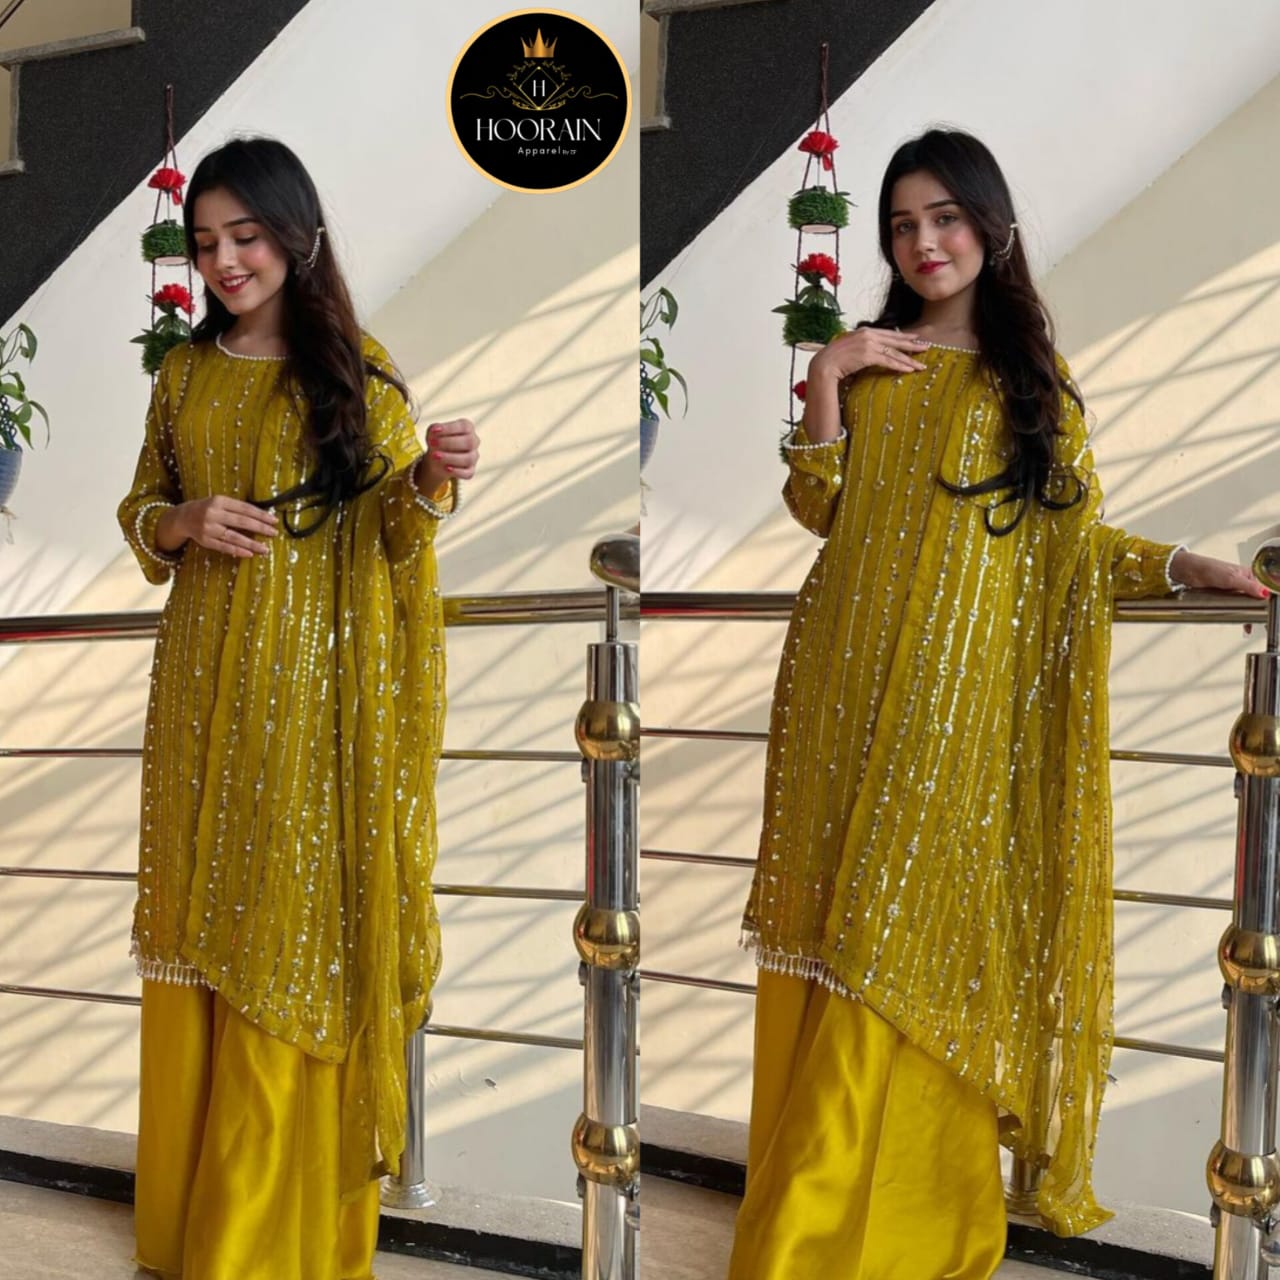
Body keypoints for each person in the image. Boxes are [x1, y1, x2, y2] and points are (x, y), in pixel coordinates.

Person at [728, 128, 1262, 1279]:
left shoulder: (1034, 389)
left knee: (902, 942)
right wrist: (825, 376)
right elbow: (819, 507)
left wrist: (1182, 565)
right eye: (901, 225)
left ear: (989, 225)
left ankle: (885, 1243)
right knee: (826, 944)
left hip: (954, 719)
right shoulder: (873, 364)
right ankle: (799, 1241)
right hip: (832, 692)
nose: (922, 242)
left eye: (943, 217)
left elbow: (1069, 545)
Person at [117, 136, 479, 1280]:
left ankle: (268, 1240)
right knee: (196, 920)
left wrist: (430, 478)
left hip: (319, 715)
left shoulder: (358, 374)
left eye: (247, 236)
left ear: (295, 235)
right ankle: (190, 1223)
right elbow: (141, 506)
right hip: (196, 698)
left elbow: (394, 533)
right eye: (206, 242)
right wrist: (181, 521)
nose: (226, 260)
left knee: (287, 930)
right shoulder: (183, 375)